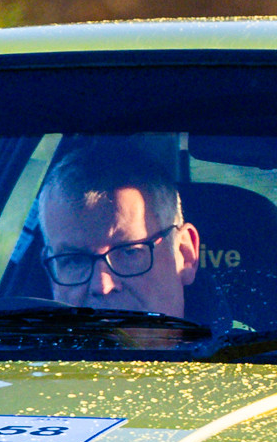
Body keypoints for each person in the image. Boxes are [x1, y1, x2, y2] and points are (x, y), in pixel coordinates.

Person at [33, 138, 204, 322]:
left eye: (129, 252)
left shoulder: (226, 340)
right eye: (75, 260)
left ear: (185, 254)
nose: (102, 286)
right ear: (51, 273)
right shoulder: (21, 338)